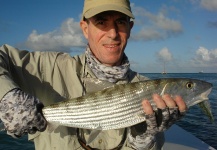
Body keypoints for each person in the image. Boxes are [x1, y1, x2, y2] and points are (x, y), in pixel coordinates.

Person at [0, 0, 187, 149]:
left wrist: (143, 141)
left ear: (130, 28)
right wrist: (7, 95)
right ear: (85, 28)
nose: (112, 33)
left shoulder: (150, 92)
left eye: (120, 22)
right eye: (101, 22)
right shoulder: (50, 66)